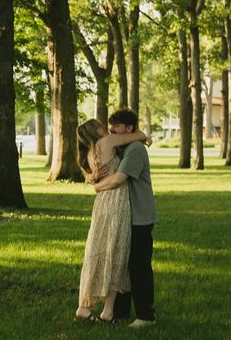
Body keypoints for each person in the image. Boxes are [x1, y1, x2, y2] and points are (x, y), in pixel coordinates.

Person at [74, 118, 149, 324]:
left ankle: (87, 307)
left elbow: (94, 180)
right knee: (116, 252)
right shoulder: (107, 142)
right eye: (100, 125)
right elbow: (139, 135)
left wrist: (95, 184)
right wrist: (140, 135)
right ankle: (106, 311)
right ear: (95, 131)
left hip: (101, 204)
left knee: (99, 251)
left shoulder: (88, 153)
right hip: (116, 201)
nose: (105, 128)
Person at [94, 108, 157, 328]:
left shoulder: (136, 149)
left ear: (129, 129)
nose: (112, 130)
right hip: (124, 217)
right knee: (121, 264)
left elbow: (118, 179)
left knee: (138, 266)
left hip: (139, 217)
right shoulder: (121, 148)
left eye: (116, 126)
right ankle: (119, 314)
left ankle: (145, 316)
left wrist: (97, 187)